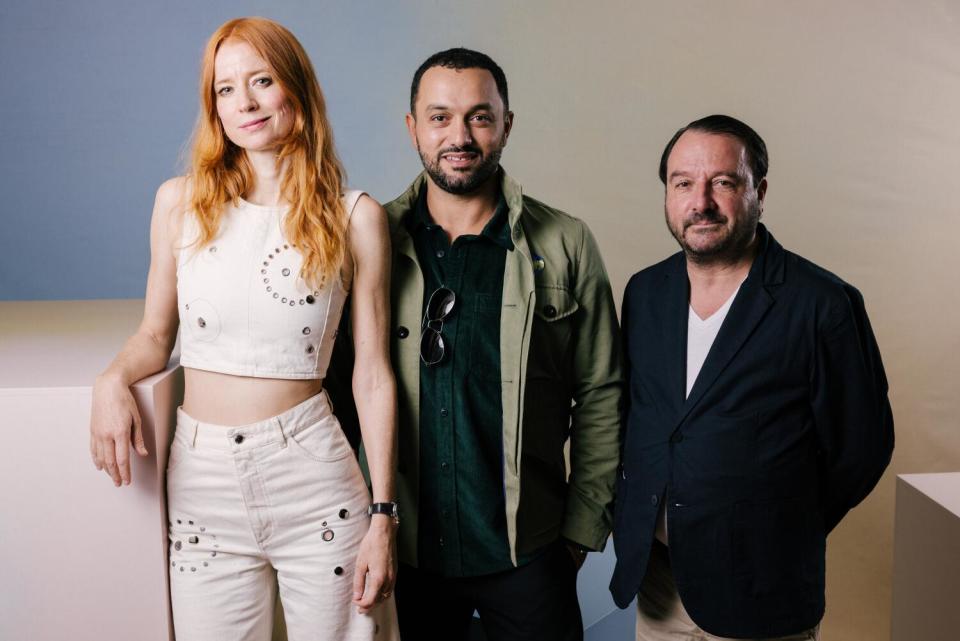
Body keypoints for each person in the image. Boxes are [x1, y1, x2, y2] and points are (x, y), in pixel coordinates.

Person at [88, 17, 398, 641]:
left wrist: (383, 515)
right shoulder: (179, 204)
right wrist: (112, 380)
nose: (245, 102)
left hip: (314, 479)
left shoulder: (355, 217)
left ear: (298, 91)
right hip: (201, 482)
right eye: (226, 89)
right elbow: (155, 334)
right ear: (214, 108)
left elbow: (372, 372)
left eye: (262, 80)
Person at [609, 114, 894, 639]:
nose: (701, 202)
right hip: (658, 587)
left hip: (760, 589)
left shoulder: (823, 304)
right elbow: (642, 418)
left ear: (758, 191)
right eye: (683, 183)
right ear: (668, 194)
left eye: (723, 181)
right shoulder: (644, 292)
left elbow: (862, 449)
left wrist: (777, 528)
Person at [380, 47, 622, 640]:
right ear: (412, 128)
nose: (459, 136)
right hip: (402, 550)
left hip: (529, 551)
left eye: (479, 117)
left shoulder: (565, 243)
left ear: (506, 125)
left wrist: (579, 534)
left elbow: (602, 394)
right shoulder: (370, 241)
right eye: (439, 117)